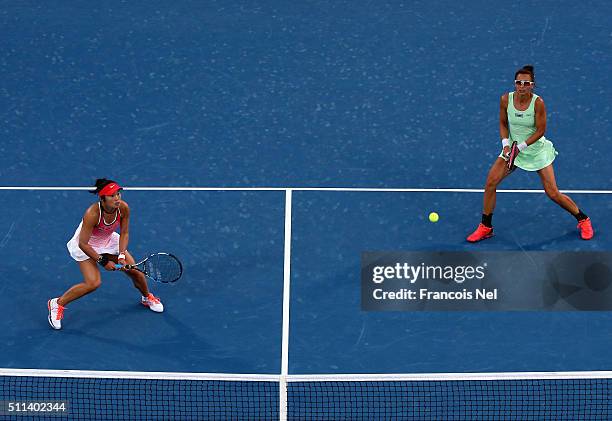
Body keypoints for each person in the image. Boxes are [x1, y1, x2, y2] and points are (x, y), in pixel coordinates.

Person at [467, 65, 594, 242]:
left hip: (535, 151)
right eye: (518, 82)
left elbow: (541, 130)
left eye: (526, 83)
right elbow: (503, 123)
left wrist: (521, 147)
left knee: (553, 193)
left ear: (532, 85)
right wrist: (506, 145)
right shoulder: (505, 99)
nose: (521, 86)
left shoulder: (538, 103)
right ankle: (486, 226)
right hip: (512, 150)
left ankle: (583, 219)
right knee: (490, 183)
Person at [48, 179, 163, 330]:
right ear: (102, 199)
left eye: (118, 194)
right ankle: (57, 304)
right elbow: (83, 243)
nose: (117, 198)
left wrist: (121, 255)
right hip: (87, 245)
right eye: (112, 195)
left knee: (135, 271)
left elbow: (125, 233)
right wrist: (102, 261)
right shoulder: (92, 214)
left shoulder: (123, 208)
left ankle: (147, 297)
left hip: (108, 241)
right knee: (93, 283)